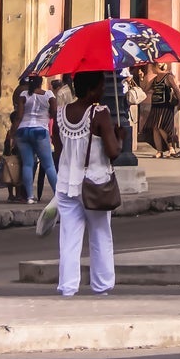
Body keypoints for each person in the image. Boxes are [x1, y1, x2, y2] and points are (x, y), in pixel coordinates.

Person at [52, 70, 123, 297]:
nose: (103, 90)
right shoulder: (100, 113)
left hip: (66, 185)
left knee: (69, 239)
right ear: (92, 89)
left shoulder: (61, 113)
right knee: (101, 235)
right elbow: (113, 152)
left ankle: (68, 287)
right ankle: (102, 286)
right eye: (101, 86)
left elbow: (59, 151)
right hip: (95, 184)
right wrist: (120, 137)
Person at [13, 74, 59, 204]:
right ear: (41, 83)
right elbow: (54, 112)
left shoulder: (24, 95)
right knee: (49, 165)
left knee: (28, 164)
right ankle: (57, 195)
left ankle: (30, 197)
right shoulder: (48, 94)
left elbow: (19, 115)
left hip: (23, 130)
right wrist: (47, 115)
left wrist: (12, 134)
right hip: (40, 130)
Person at [146, 63, 180, 156]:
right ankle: (159, 151)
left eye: (151, 67)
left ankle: (171, 148)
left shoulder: (167, 77)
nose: (151, 70)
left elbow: (176, 89)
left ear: (155, 66)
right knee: (155, 128)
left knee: (162, 127)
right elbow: (146, 89)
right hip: (156, 105)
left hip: (166, 106)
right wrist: (143, 78)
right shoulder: (154, 79)